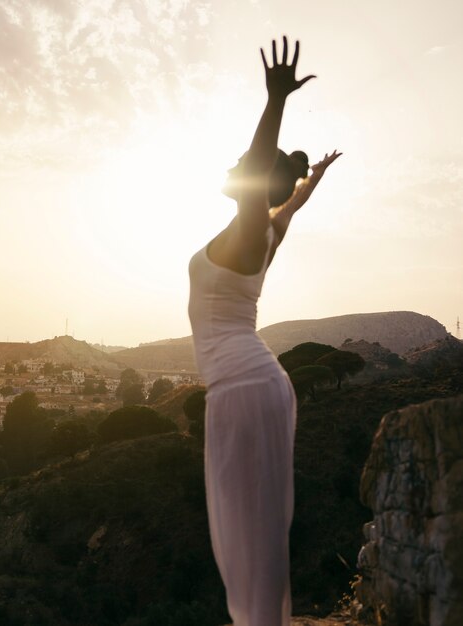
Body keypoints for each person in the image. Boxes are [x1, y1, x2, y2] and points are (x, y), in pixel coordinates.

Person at [187, 37, 341, 626]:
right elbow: (292, 200)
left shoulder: (253, 230)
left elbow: (260, 170)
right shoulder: (266, 229)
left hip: (243, 389)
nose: (234, 168)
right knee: (255, 534)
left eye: (245, 169)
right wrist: (314, 177)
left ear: (256, 186)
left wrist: (275, 102)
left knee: (249, 538)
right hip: (252, 386)